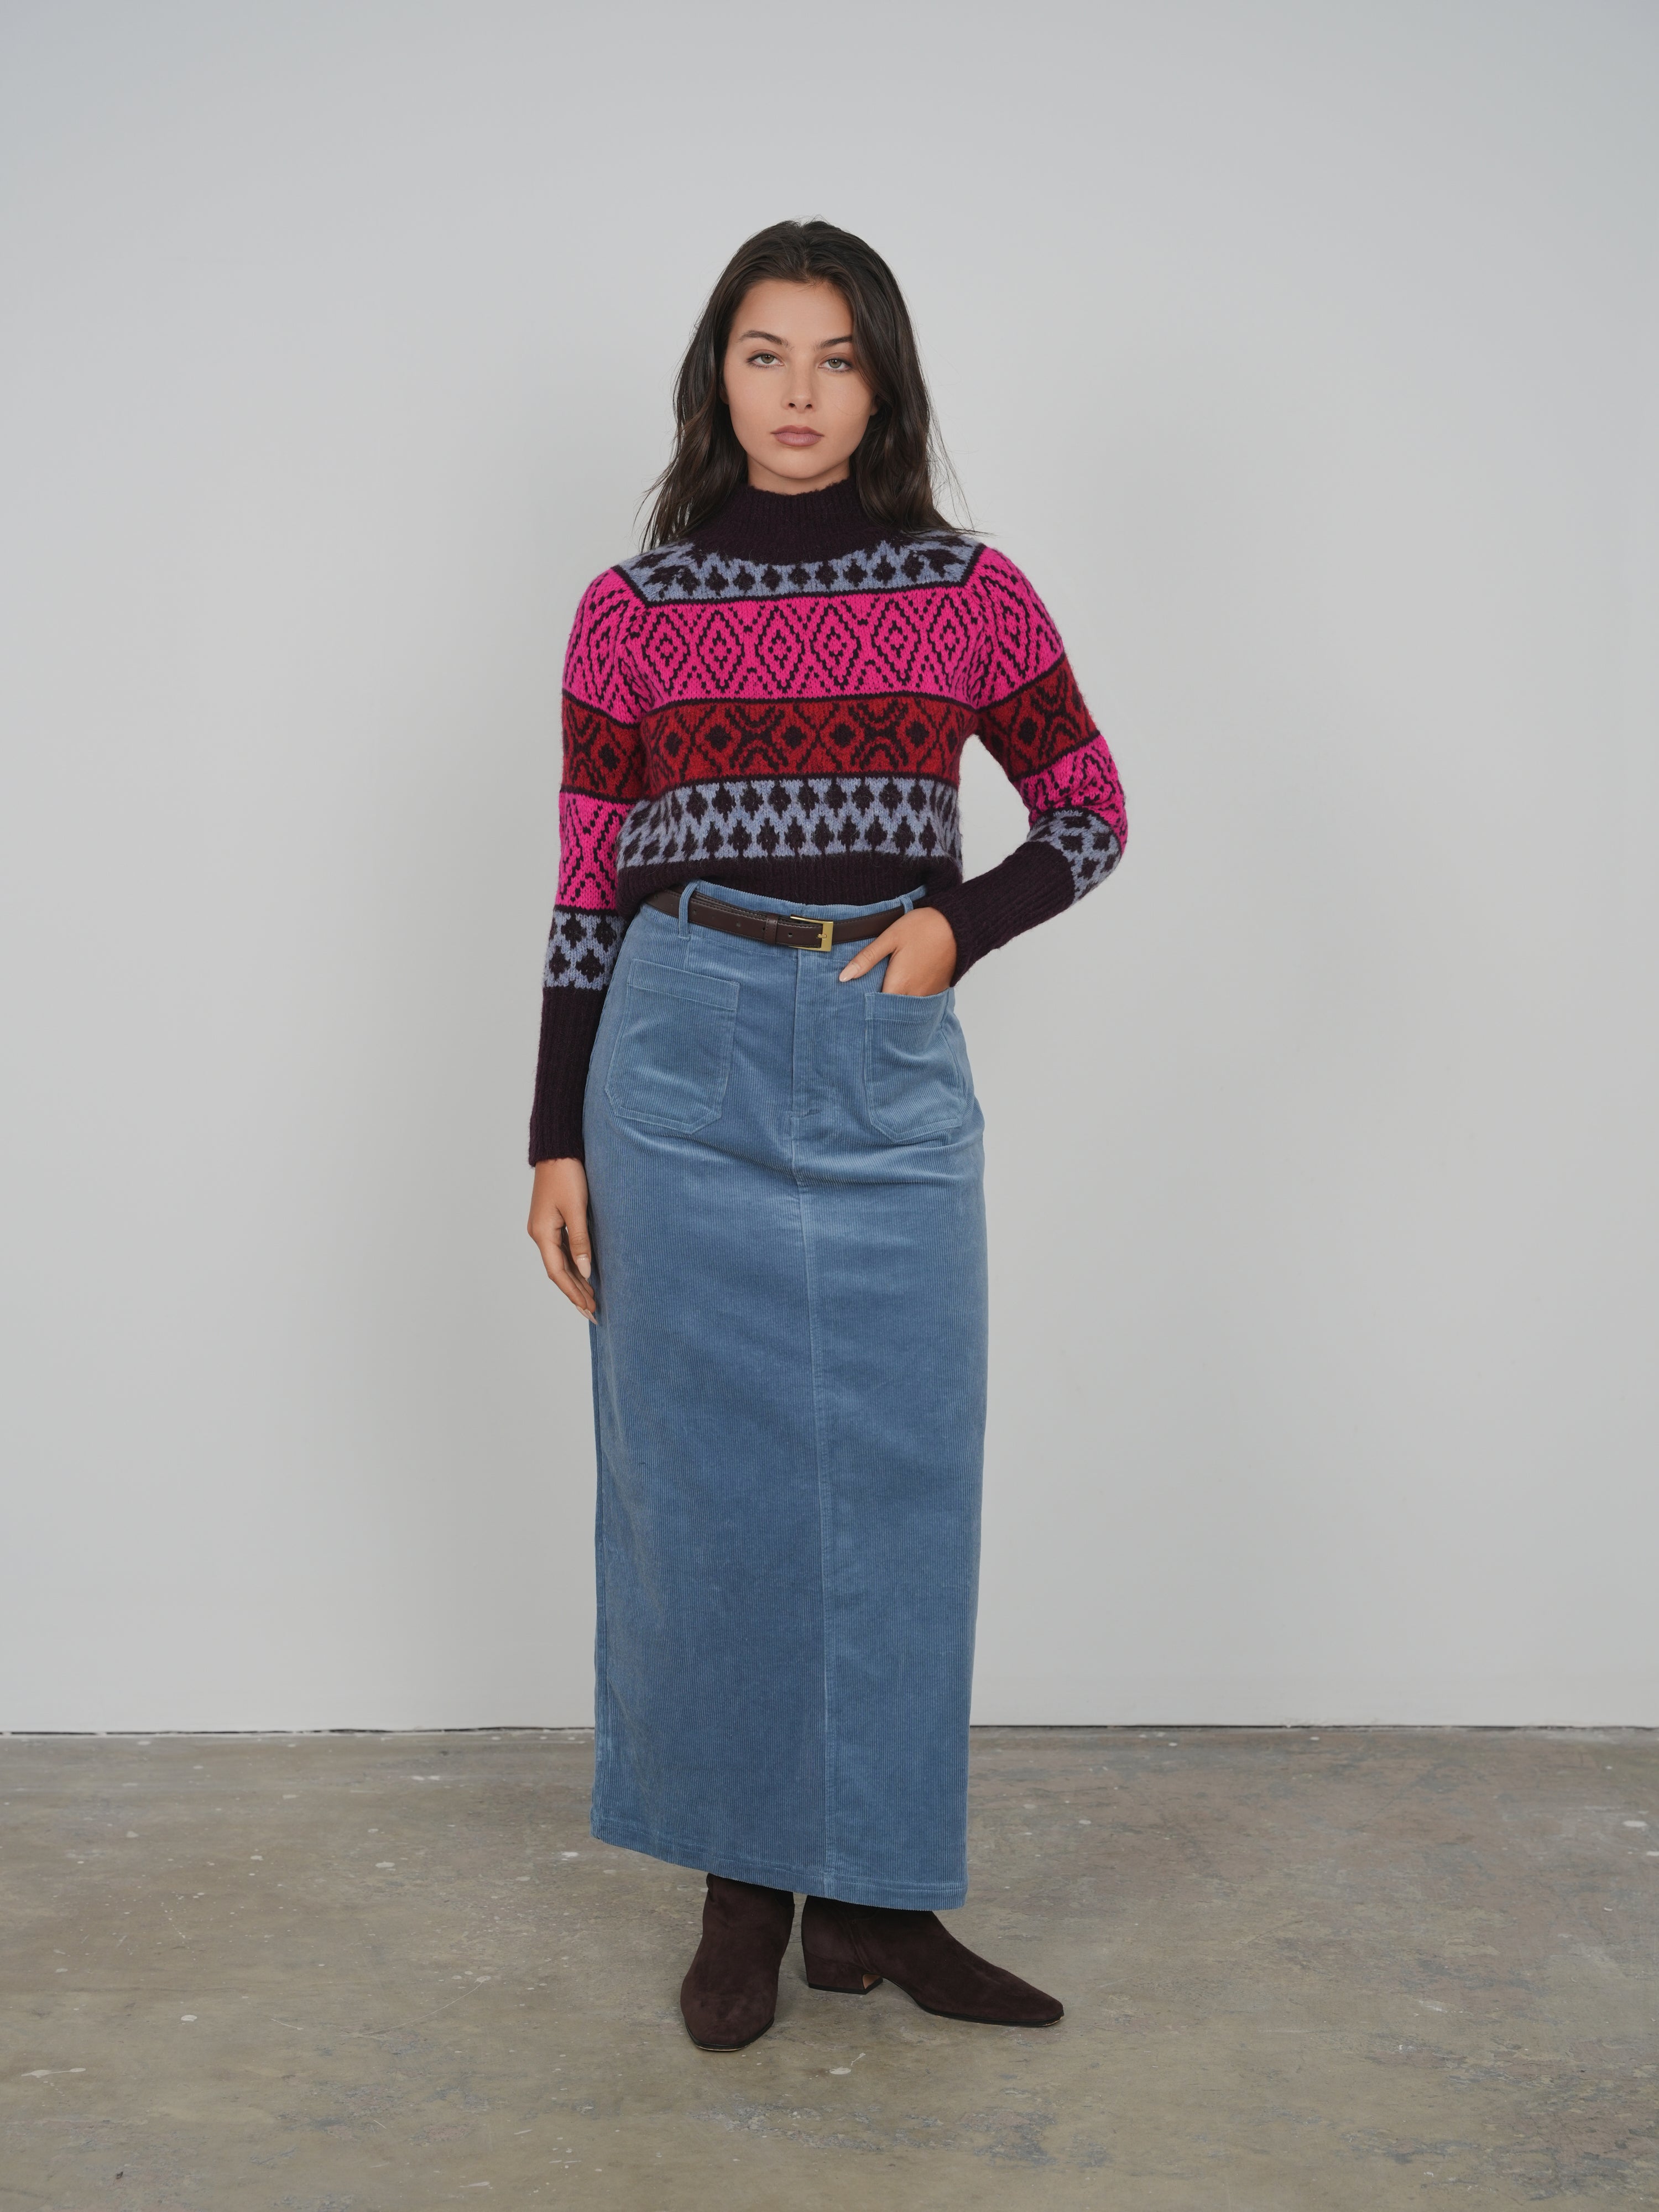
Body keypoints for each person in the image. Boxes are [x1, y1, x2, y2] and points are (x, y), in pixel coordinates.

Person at [526, 220, 1127, 2050]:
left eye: (839, 356)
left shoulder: (969, 590)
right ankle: (744, 1888)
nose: (800, 392)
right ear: (718, 375)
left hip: (884, 1047)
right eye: (766, 353)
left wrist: (958, 928)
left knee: (901, 1479)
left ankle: (874, 1900)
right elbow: (585, 883)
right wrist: (553, 1137)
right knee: (703, 1490)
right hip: (680, 1053)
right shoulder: (631, 612)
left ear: (885, 382)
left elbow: (1088, 809)